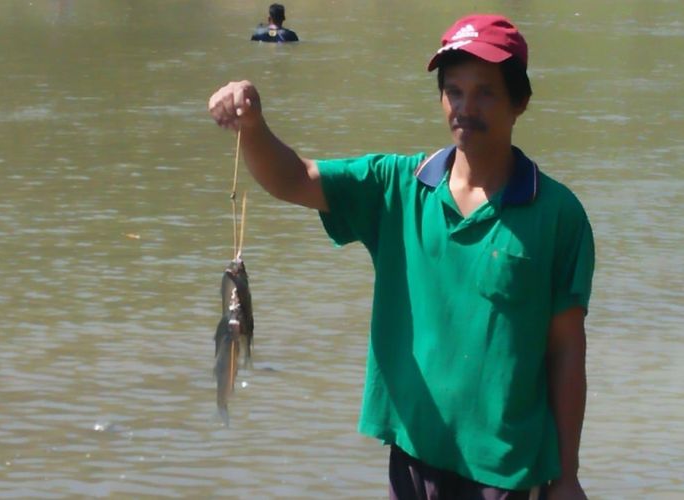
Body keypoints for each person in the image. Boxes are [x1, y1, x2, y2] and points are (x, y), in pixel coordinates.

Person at [210, 13, 594, 500]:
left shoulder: (559, 216)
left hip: (506, 470)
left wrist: (566, 476)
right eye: (454, 91)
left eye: (485, 92)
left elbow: (566, 352)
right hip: (414, 458)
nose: (465, 107)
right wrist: (254, 126)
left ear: (521, 102)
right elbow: (295, 179)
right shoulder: (397, 187)